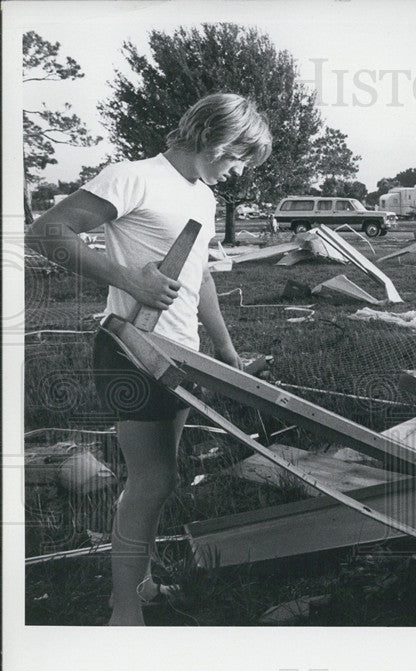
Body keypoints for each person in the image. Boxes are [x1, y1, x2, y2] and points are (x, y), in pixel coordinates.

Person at [26, 93, 272, 625]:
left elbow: (198, 275)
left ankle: (140, 582)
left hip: (179, 355)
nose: (236, 172)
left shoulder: (201, 195)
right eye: (236, 158)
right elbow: (45, 231)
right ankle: (124, 609)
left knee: (159, 476)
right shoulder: (132, 175)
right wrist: (126, 278)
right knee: (151, 480)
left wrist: (225, 352)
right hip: (130, 350)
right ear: (214, 136)